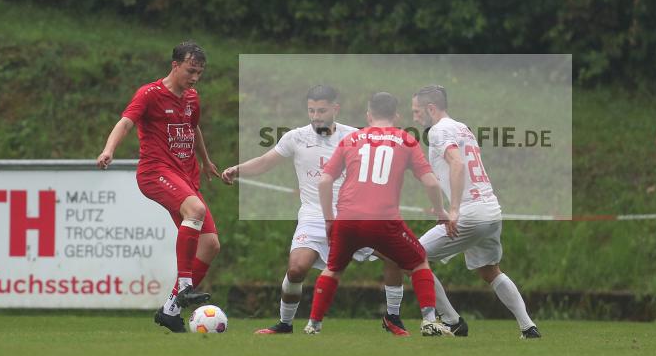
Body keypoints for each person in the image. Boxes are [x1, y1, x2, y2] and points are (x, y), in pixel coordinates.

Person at [221, 85, 409, 335]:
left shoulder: (355, 136)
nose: (316, 116)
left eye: (321, 110)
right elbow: (265, 161)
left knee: (395, 256)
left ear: (335, 109)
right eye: (311, 110)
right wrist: (237, 169)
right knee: (296, 269)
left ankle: (393, 318)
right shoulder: (295, 137)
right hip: (314, 215)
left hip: (354, 214)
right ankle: (285, 324)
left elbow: (383, 163)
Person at [96, 42, 221, 333]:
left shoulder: (192, 97)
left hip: (186, 176)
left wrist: (206, 161)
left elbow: (194, 128)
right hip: (156, 173)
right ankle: (186, 286)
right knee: (196, 209)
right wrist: (108, 150)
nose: (194, 78)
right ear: (175, 65)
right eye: (191, 71)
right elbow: (125, 123)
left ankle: (170, 310)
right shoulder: (149, 94)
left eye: (199, 73)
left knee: (211, 245)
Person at [305, 92, 453, 336]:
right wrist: (440, 212)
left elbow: (324, 181)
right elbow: (431, 183)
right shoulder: (406, 140)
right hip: (383, 220)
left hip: (347, 218)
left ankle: (314, 324)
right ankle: (429, 320)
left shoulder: (351, 138)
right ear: (396, 115)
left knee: (333, 268)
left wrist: (329, 218)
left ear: (368, 114)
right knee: (418, 262)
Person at [411, 85, 540, 339]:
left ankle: (451, 320)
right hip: (491, 209)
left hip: (470, 212)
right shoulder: (462, 128)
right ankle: (528, 327)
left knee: (411, 257)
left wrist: (455, 209)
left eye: (416, 112)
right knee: (490, 271)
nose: (414, 117)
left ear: (430, 109)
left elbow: (457, 164)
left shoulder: (439, 130)